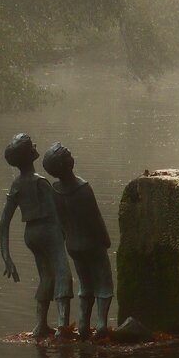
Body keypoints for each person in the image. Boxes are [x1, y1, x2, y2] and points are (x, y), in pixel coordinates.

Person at [0, 133, 72, 337]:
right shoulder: (41, 182)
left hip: (31, 234)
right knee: (63, 274)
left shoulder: (16, 184)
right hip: (49, 230)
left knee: (46, 276)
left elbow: (4, 221)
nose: (35, 146)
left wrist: (6, 256)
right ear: (29, 154)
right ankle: (62, 327)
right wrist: (66, 234)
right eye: (32, 145)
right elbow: (56, 212)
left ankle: (40, 326)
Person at [42, 142, 114, 338]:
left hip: (73, 245)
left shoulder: (54, 190)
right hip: (92, 243)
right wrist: (105, 240)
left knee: (85, 284)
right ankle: (101, 325)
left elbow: (60, 221)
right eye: (69, 155)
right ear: (67, 164)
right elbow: (95, 219)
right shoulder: (83, 188)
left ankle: (83, 324)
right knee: (103, 282)